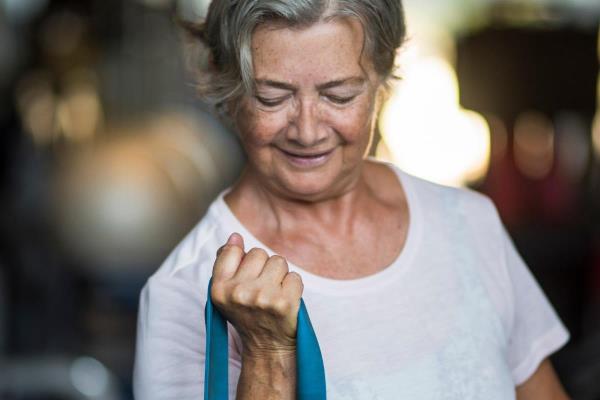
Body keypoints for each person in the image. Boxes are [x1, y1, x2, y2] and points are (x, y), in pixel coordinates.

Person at [133, 0, 571, 398]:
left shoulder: (468, 222)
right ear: (229, 91)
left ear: (382, 80)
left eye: (338, 95)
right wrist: (267, 355)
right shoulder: (183, 291)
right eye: (272, 97)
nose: (307, 131)